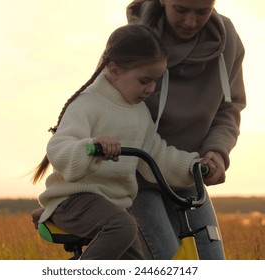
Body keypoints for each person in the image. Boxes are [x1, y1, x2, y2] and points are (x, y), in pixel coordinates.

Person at [31, 24, 205, 260]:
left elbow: (155, 155)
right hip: (73, 200)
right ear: (114, 70)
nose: (151, 89)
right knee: (123, 227)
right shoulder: (88, 104)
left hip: (111, 207)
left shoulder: (140, 114)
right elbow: (59, 147)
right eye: (144, 80)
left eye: (156, 81)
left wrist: (195, 166)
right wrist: (91, 147)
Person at [125, 0, 247, 259]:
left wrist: (217, 150)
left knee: (212, 261)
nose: (191, 22)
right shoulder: (133, 42)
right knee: (170, 260)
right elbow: (98, 104)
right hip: (135, 177)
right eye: (181, 10)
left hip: (189, 172)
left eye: (202, 12)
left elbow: (230, 108)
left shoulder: (230, 43)